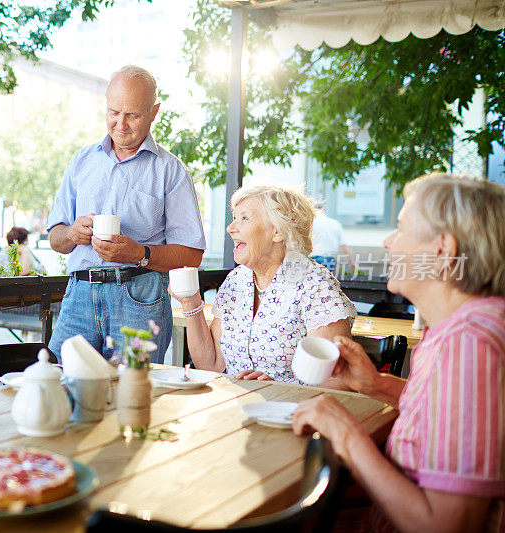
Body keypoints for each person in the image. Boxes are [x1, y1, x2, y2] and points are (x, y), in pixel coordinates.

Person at [293, 173, 505, 532]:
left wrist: (345, 434)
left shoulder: (469, 343)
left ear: (442, 249)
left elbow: (446, 526)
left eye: (401, 228)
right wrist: (375, 385)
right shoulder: (460, 329)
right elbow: (451, 413)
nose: (388, 242)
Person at [46, 65, 206, 363]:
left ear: (154, 112)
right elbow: (55, 238)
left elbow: (191, 254)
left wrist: (139, 253)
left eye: (132, 115)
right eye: (113, 112)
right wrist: (70, 233)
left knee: (132, 395)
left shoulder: (171, 171)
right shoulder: (82, 161)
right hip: (79, 294)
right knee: (58, 383)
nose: (121, 124)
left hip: (139, 297)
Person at [170, 185, 356, 387]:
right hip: (238, 405)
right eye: (234, 217)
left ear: (277, 231)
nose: (231, 228)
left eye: (244, 218)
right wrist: (191, 303)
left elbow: (338, 381)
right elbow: (211, 365)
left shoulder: (314, 284)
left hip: (290, 413)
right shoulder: (236, 280)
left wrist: (283, 389)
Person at [310, 203, 355, 273]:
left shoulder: (310, 223)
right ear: (324, 210)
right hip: (329, 259)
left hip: (312, 259)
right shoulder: (335, 223)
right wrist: (350, 260)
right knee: (327, 282)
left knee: (312, 282)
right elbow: (343, 245)